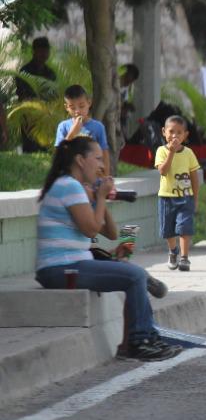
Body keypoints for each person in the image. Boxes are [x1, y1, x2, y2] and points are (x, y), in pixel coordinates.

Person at [34, 136, 180, 361]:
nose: (102, 165)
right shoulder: (68, 186)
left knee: (132, 273)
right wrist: (100, 197)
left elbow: (110, 233)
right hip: (60, 268)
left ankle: (143, 337)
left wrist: (99, 198)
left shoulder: (75, 188)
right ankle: (138, 342)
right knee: (133, 276)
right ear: (81, 160)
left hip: (72, 264)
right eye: (98, 158)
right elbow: (92, 230)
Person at [154, 115, 200, 272]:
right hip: (166, 197)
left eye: (179, 132)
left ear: (185, 135)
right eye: (171, 131)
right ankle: (173, 251)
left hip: (185, 197)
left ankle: (184, 257)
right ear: (163, 132)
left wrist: (195, 198)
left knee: (184, 227)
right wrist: (171, 153)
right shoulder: (161, 151)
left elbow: (194, 176)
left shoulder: (189, 153)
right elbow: (163, 171)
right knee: (168, 230)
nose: (175, 136)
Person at [55, 85, 112, 174]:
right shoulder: (63, 126)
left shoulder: (98, 127)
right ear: (66, 107)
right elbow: (59, 153)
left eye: (81, 106)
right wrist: (72, 132)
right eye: (72, 108)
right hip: (72, 174)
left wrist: (106, 176)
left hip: (93, 174)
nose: (77, 111)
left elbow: (104, 153)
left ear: (89, 103)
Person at [16, 36, 56, 153]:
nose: (44, 53)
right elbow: (23, 95)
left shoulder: (50, 73)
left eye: (46, 50)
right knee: (30, 149)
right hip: (29, 117)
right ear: (34, 51)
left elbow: (53, 95)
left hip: (46, 117)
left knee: (45, 149)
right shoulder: (25, 71)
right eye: (41, 50)